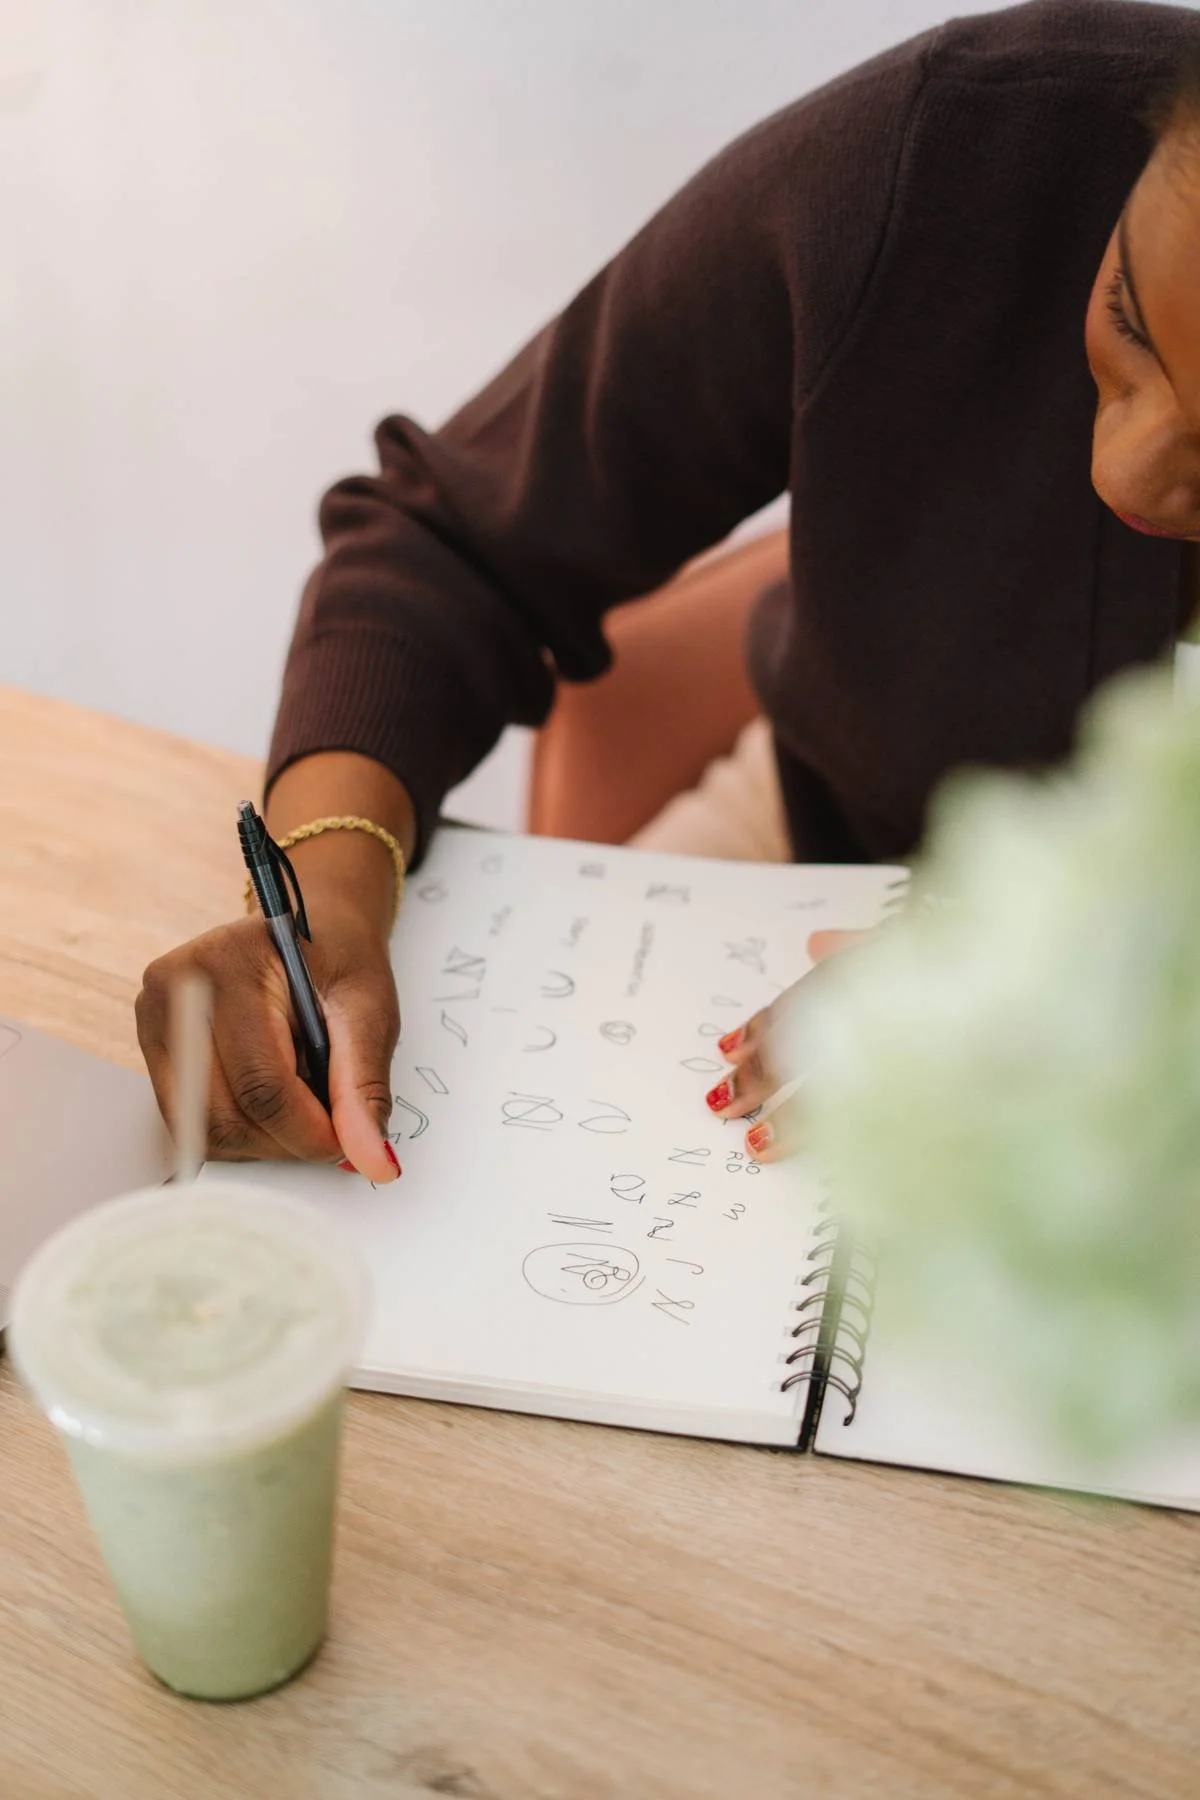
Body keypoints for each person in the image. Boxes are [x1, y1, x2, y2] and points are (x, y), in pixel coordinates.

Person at [136, 0, 1200, 1179]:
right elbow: (451, 541)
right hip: (823, 836)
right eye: (1126, 321)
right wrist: (330, 881)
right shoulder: (957, 160)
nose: (1129, 471)